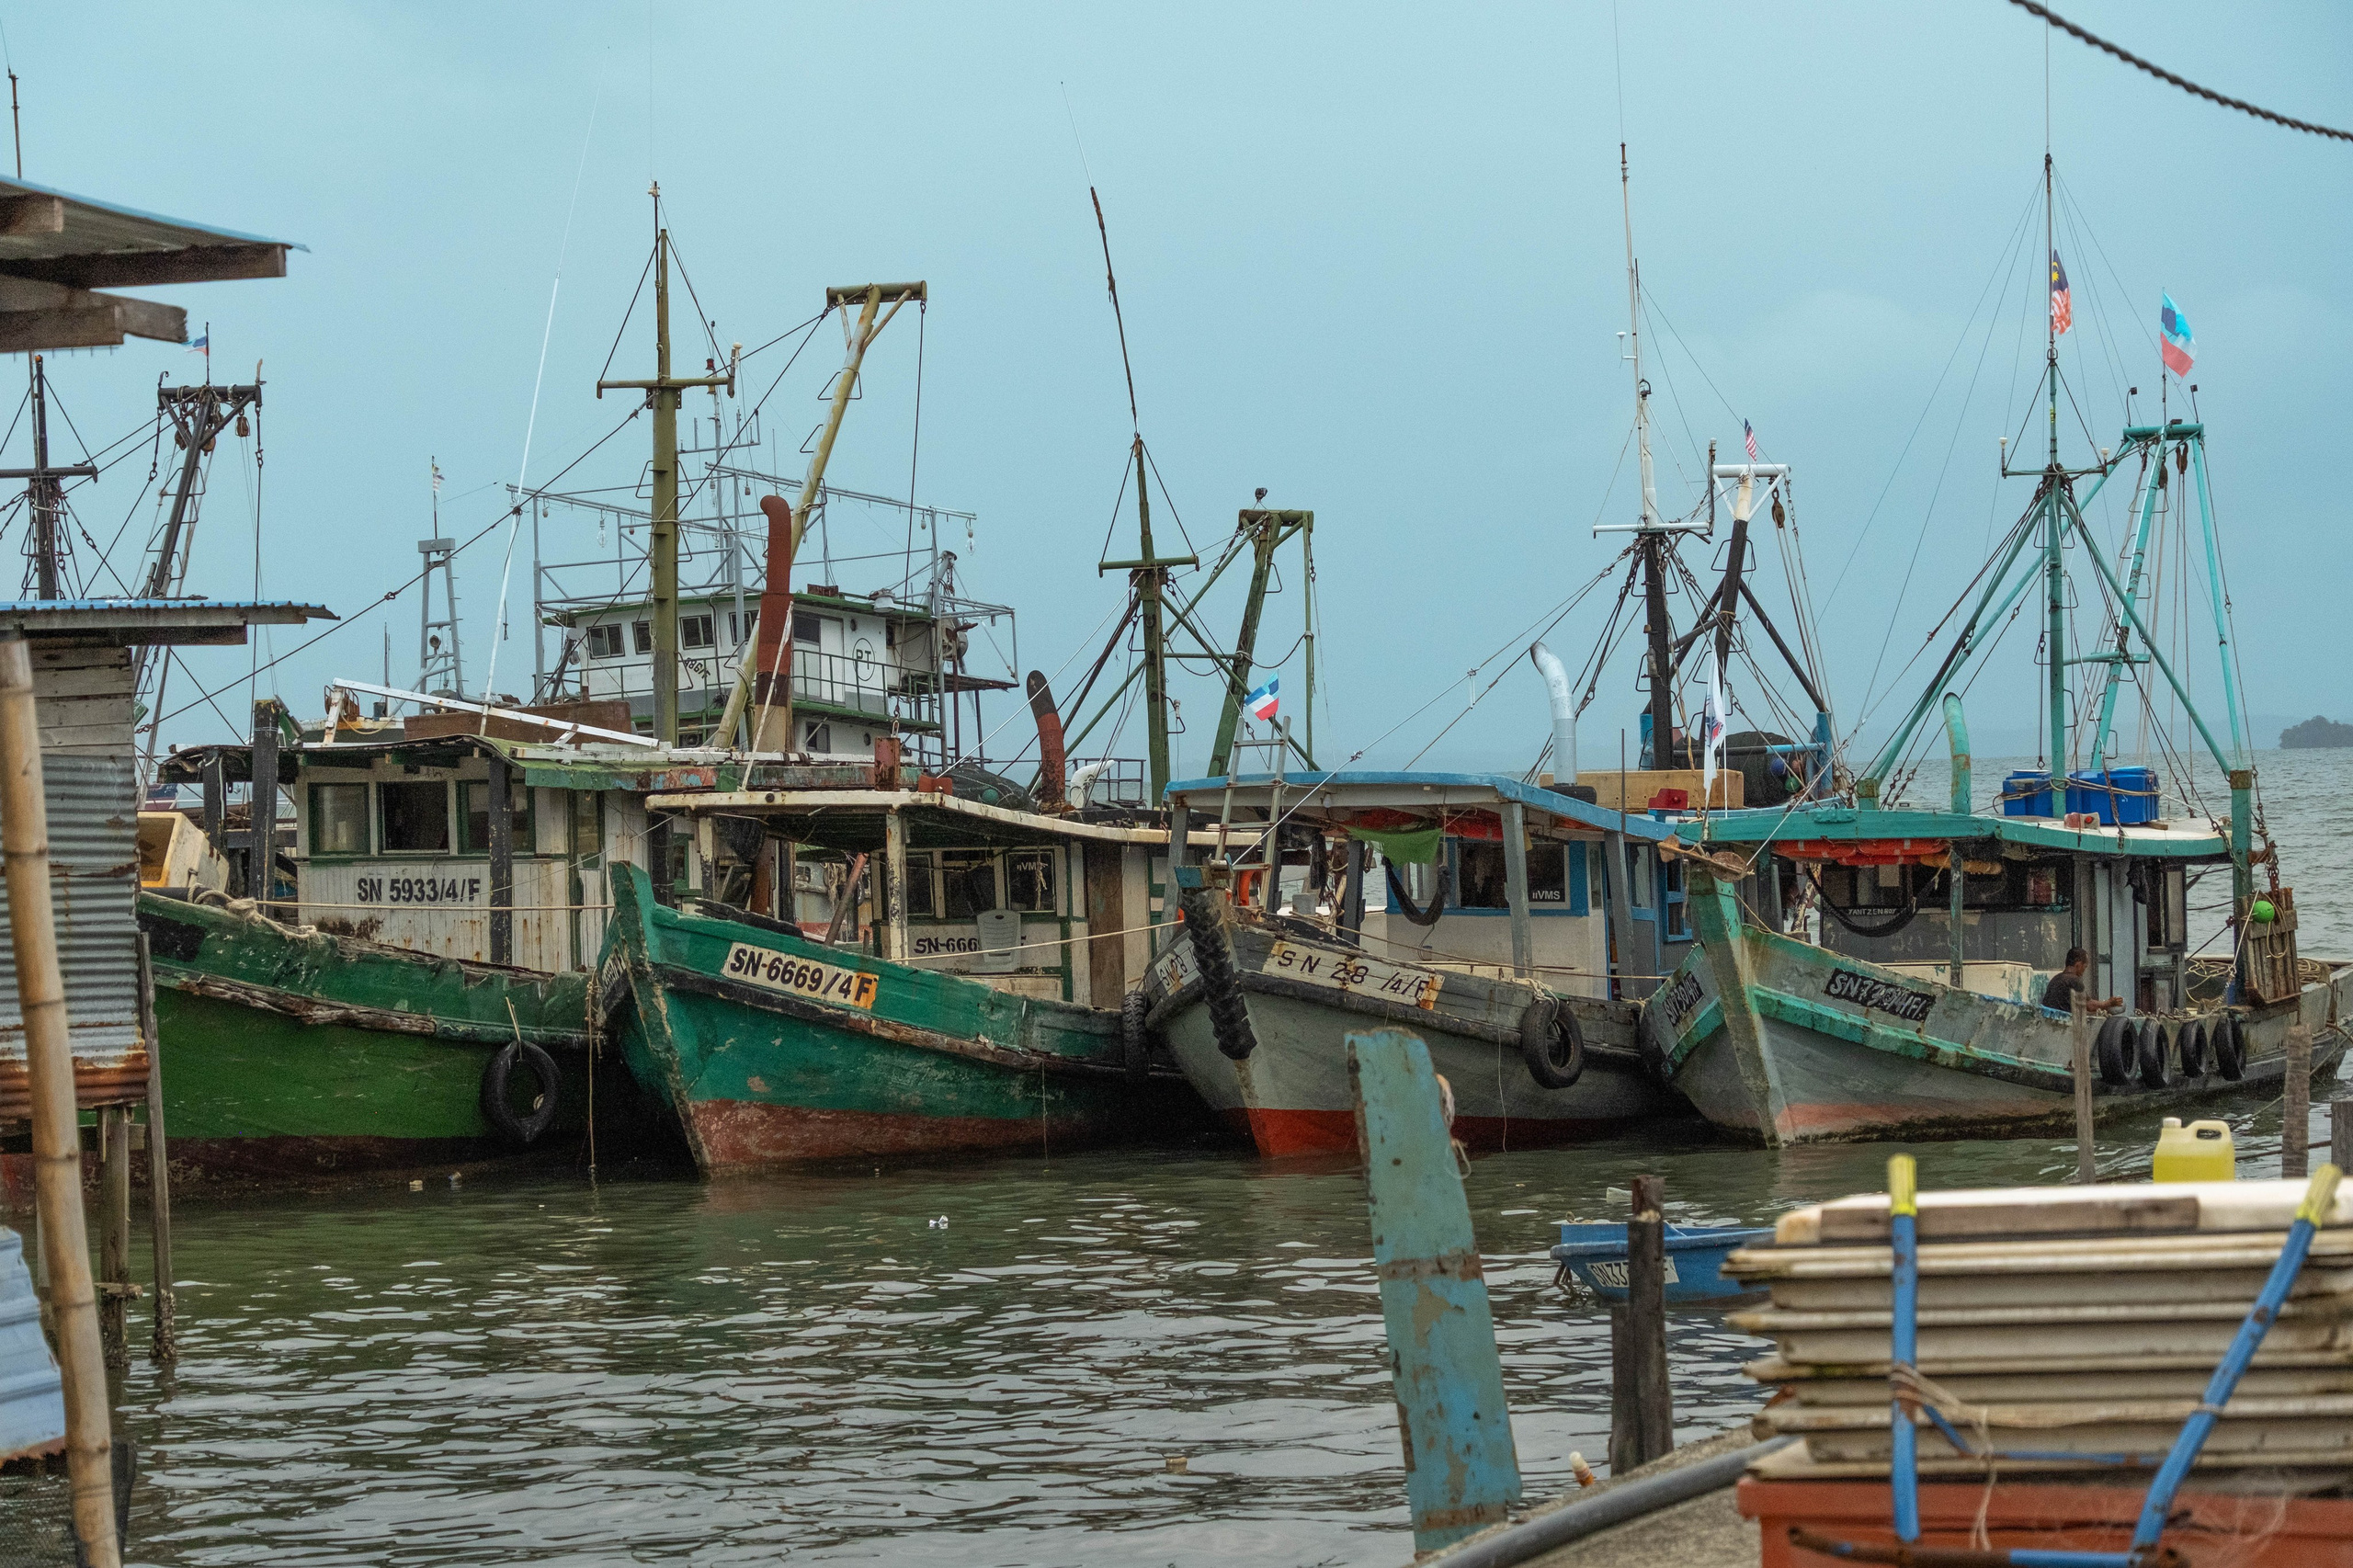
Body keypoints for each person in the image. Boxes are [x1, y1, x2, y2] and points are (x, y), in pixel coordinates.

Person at [2040, 947, 2121, 1015]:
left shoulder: (2056, 979)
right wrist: (2108, 1003)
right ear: (2078, 965)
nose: (2083, 971)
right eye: (2085, 967)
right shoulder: (2074, 980)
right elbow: (2089, 1005)